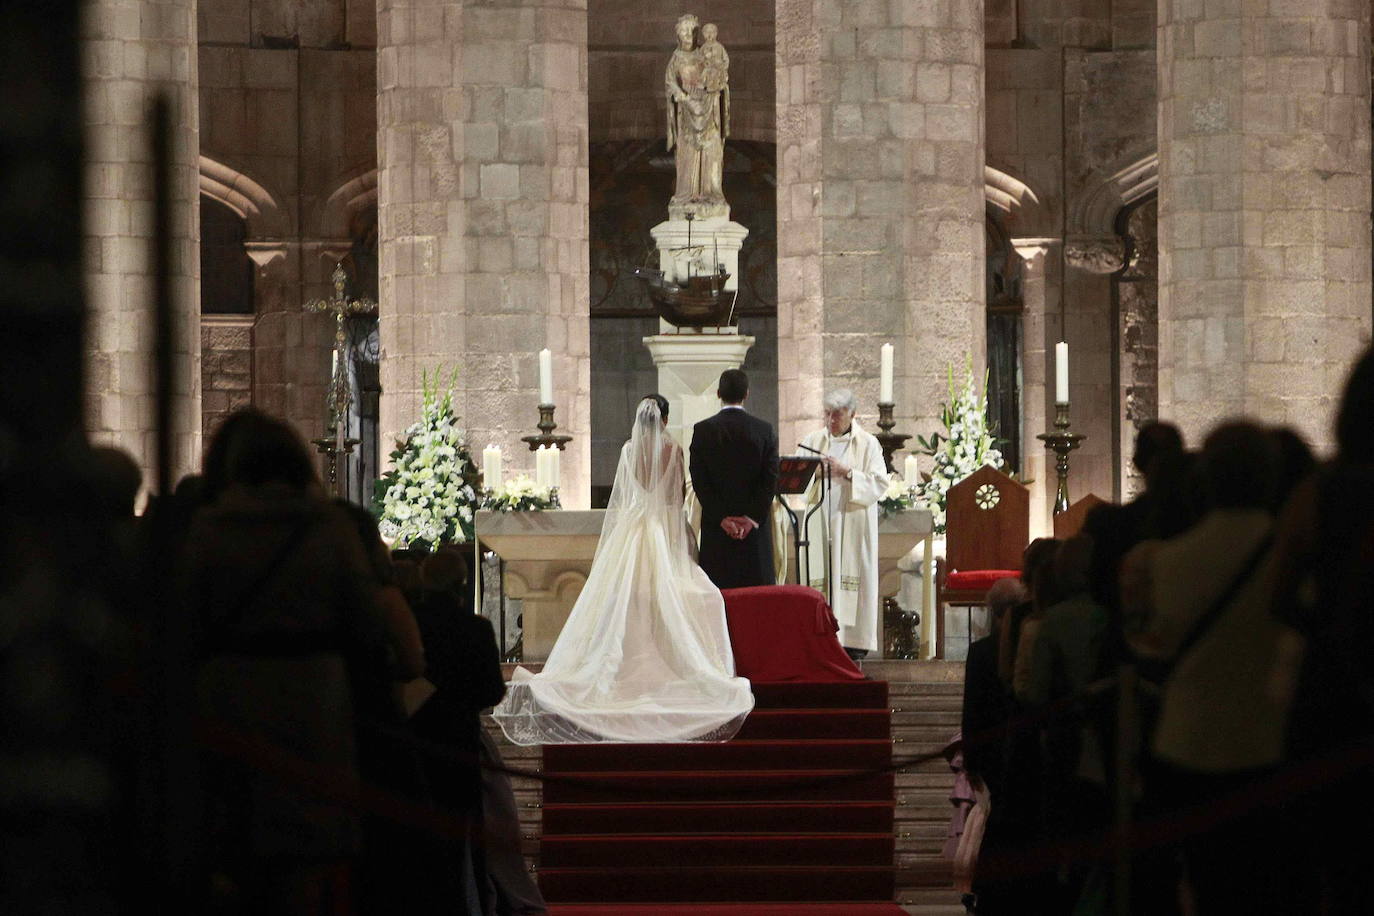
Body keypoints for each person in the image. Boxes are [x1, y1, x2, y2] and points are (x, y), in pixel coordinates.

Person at [492, 396, 754, 745]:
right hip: (662, 529)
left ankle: (618, 667)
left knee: (623, 594)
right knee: (684, 593)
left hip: (632, 530)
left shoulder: (630, 449)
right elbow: (675, 498)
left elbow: (626, 495)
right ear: (664, 419)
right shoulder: (673, 449)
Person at [798, 389, 891, 658]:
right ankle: (819, 643)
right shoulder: (812, 441)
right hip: (820, 523)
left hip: (852, 523)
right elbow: (793, 479)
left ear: (853, 414)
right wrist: (812, 473)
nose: (830, 420)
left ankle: (853, 647)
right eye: (827, 414)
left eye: (837, 415)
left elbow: (879, 482)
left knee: (852, 578)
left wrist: (847, 472)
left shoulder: (868, 443)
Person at [690, 369, 779, 590]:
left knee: (720, 600)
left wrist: (722, 518)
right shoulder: (764, 430)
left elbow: (699, 481)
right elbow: (770, 480)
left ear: (718, 393)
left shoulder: (703, 431)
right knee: (757, 602)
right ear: (747, 394)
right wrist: (751, 518)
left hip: (717, 534)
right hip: (754, 538)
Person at [664, 13, 728, 213]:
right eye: (683, 31)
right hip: (687, 110)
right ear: (678, 35)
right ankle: (686, 194)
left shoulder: (705, 53)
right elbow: (669, 82)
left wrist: (714, 84)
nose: (688, 34)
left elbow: (719, 74)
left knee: (712, 150)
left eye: (691, 30)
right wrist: (680, 95)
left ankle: (712, 193)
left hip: (708, 106)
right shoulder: (676, 58)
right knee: (687, 153)